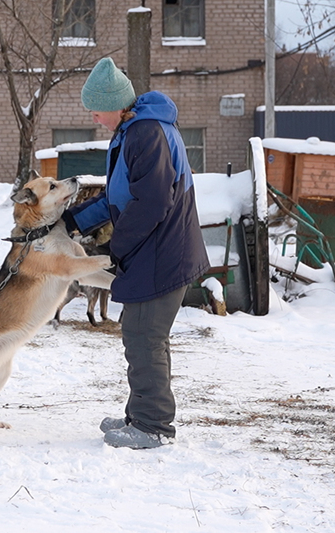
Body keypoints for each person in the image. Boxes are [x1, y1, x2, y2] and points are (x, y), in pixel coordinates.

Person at [63, 57, 210, 449]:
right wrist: (70, 222)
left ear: (114, 104)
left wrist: (115, 247)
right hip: (156, 248)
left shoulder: (146, 133)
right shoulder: (134, 130)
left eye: (95, 108)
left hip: (163, 250)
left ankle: (152, 426)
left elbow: (152, 202)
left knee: (144, 334)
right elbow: (117, 197)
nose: (93, 116)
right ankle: (140, 413)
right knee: (141, 332)